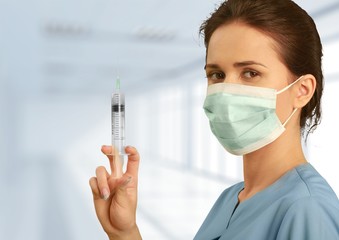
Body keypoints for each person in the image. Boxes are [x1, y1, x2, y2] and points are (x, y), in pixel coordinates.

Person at [89, 0, 339, 239]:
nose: (226, 90)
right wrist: (124, 232)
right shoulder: (230, 198)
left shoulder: (307, 209)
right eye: (217, 74)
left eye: (250, 73)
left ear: (302, 90)